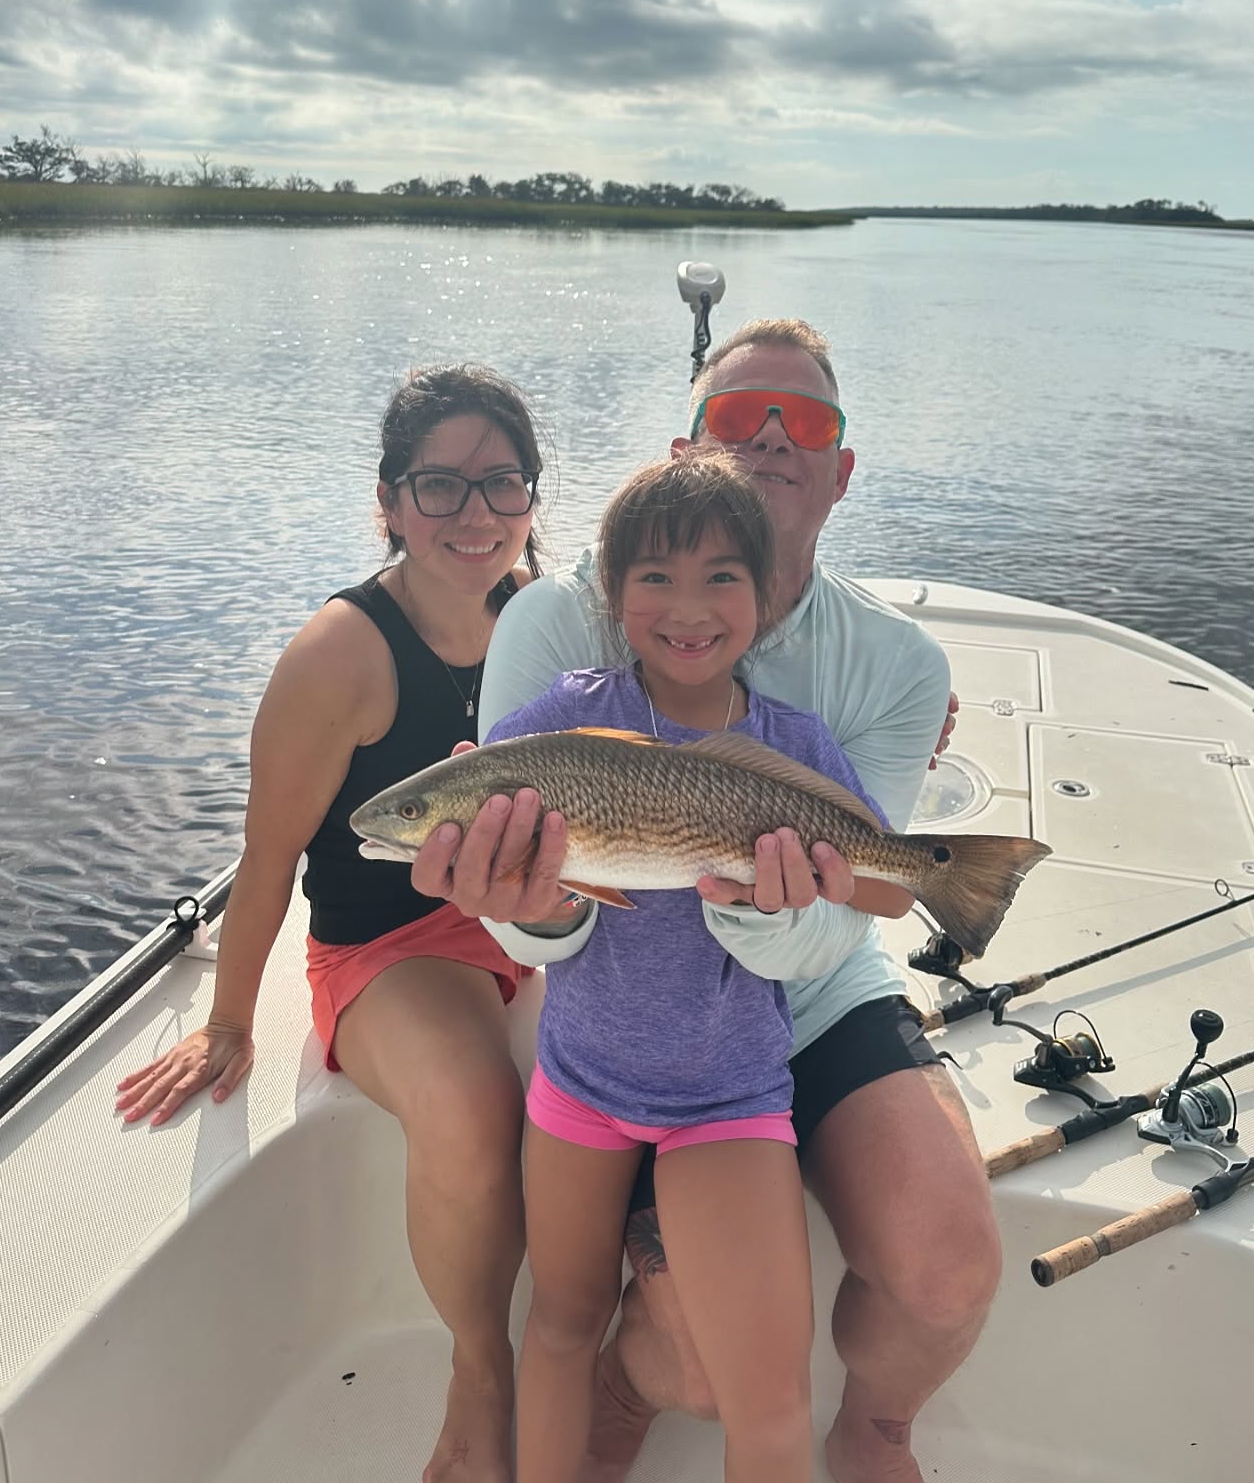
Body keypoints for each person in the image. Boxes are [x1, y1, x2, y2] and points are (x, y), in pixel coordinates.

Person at [414, 319, 988, 1483]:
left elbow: (855, 900)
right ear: (690, 449)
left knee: (946, 1270)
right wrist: (528, 906)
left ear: (843, 469)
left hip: (793, 1005)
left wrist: (781, 906)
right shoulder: (553, 629)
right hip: (604, 1012)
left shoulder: (895, 669)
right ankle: (630, 1381)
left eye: (808, 422)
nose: (774, 439)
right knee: (681, 1357)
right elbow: (530, 899)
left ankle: (876, 1423)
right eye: (739, 419)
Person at [114, 363, 545, 1483]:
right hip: (393, 948)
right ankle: (480, 1374)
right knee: (471, 1104)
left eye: (502, 484)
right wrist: (228, 1021)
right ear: (389, 503)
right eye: (439, 487)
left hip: (537, 922)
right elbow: (266, 863)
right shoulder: (339, 655)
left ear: (533, 500)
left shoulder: (542, 626)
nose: (475, 515)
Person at [493, 452, 885, 1483]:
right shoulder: (557, 725)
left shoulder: (792, 744)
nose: (689, 606)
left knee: (769, 1400)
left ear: (764, 598)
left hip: (729, 1093)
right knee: (560, 1324)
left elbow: (888, 884)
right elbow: (496, 838)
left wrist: (829, 883)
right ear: (614, 596)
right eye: (655, 577)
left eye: (723, 577)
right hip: (578, 1080)